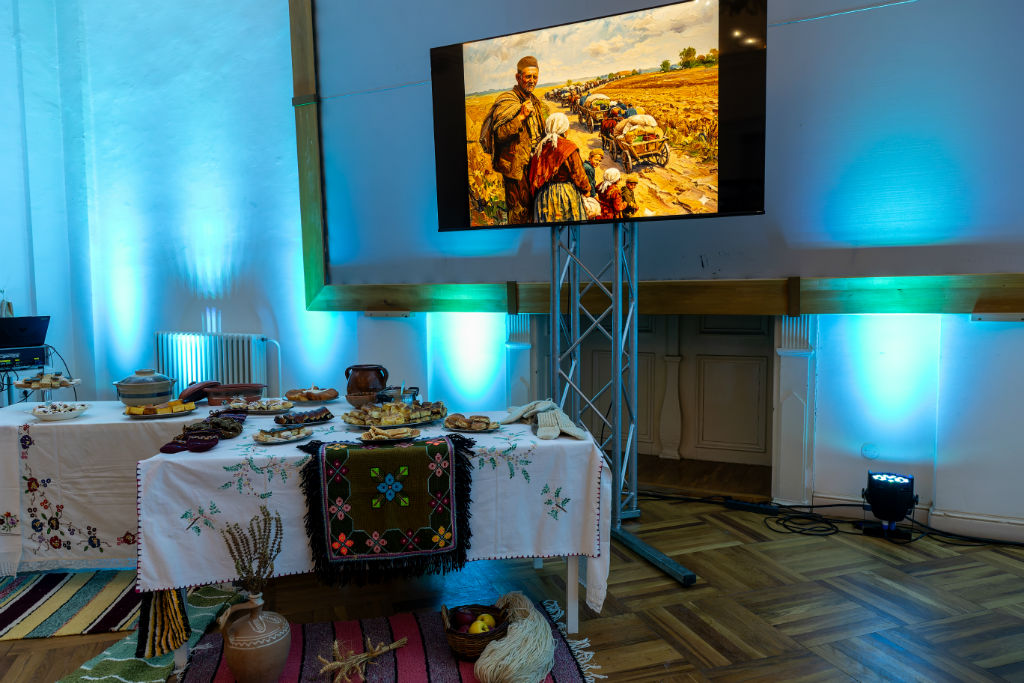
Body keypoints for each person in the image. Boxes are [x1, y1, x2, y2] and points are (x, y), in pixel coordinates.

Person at [482, 56, 547, 225]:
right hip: (515, 168)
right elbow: (499, 134)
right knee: (519, 212)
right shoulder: (508, 100)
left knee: (535, 209)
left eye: (535, 77)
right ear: (518, 77)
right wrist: (521, 116)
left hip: (533, 165)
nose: (532, 81)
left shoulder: (534, 101)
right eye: (528, 76)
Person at [528, 112, 590, 223]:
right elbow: (578, 173)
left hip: (544, 195)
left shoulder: (541, 146)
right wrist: (586, 190)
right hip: (565, 195)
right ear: (564, 129)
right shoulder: (569, 147)